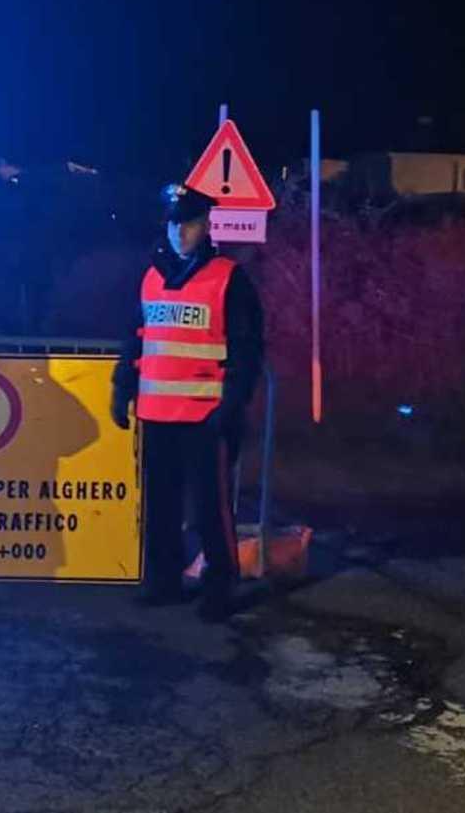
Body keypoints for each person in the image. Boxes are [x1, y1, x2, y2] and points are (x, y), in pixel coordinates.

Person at [111, 183, 265, 621]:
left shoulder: (229, 278)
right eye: (175, 224)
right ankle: (163, 581)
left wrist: (231, 405)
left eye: (191, 225)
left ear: (206, 227)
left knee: (209, 509)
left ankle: (220, 587)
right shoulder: (151, 276)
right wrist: (123, 389)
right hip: (157, 415)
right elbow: (136, 340)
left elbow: (246, 349)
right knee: (160, 505)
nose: (181, 233)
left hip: (206, 417)